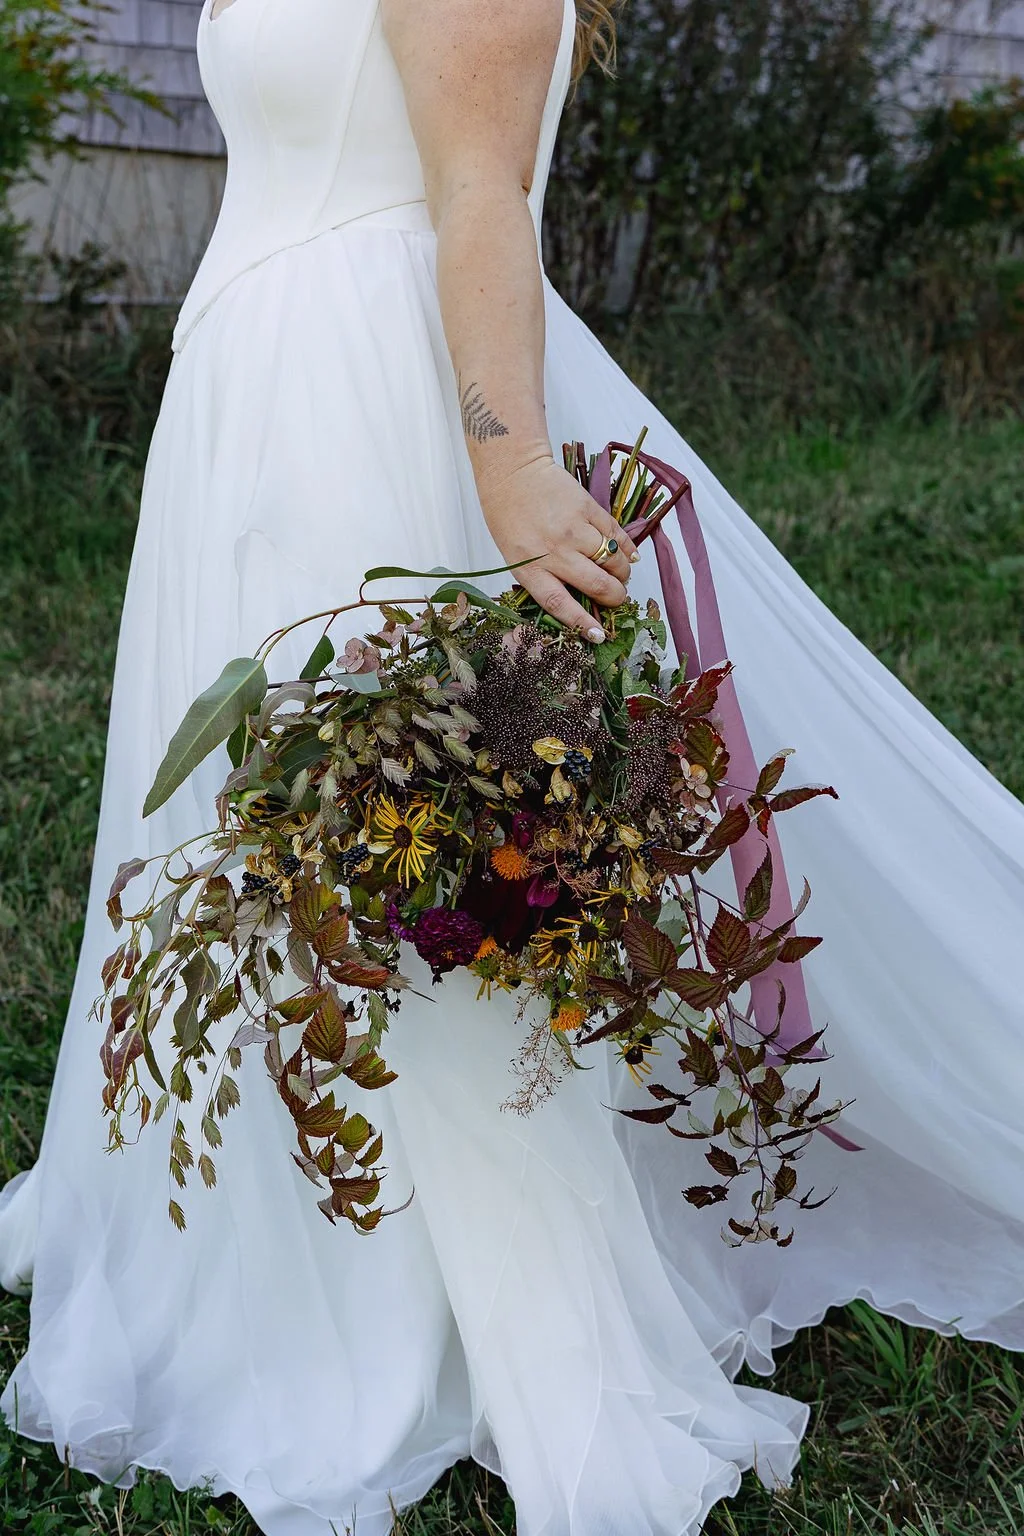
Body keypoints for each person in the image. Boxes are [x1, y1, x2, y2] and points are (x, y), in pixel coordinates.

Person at [2, 2, 1024, 1532]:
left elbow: (482, 188)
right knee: (273, 838)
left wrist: (508, 466)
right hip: (256, 398)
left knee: (398, 857)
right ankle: (253, 1224)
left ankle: (445, 1292)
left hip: (368, 407)